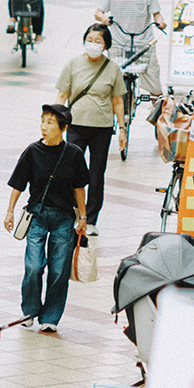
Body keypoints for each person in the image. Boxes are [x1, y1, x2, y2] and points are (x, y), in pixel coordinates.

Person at [4, 105, 88, 333]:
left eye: (50, 122)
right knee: (33, 266)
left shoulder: (74, 154)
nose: (44, 126)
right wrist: (10, 211)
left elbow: (80, 187)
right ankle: (30, 310)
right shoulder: (32, 151)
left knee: (59, 270)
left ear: (64, 128)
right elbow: (18, 184)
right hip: (37, 215)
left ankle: (50, 316)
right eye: (43, 121)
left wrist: (83, 216)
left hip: (63, 217)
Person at [56, 24, 128, 236]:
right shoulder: (73, 64)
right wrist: (55, 123)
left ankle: (92, 218)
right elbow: (62, 95)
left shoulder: (112, 68)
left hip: (102, 129)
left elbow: (117, 101)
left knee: (96, 174)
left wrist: (122, 128)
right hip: (76, 126)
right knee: (71, 172)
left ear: (106, 45)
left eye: (98, 41)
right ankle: (72, 213)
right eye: (90, 39)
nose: (93, 44)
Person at [95, 0, 167, 99]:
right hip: (118, 41)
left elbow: (156, 14)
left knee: (154, 84)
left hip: (144, 43)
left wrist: (160, 22)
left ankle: (160, 117)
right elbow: (98, 12)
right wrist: (103, 18)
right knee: (111, 83)